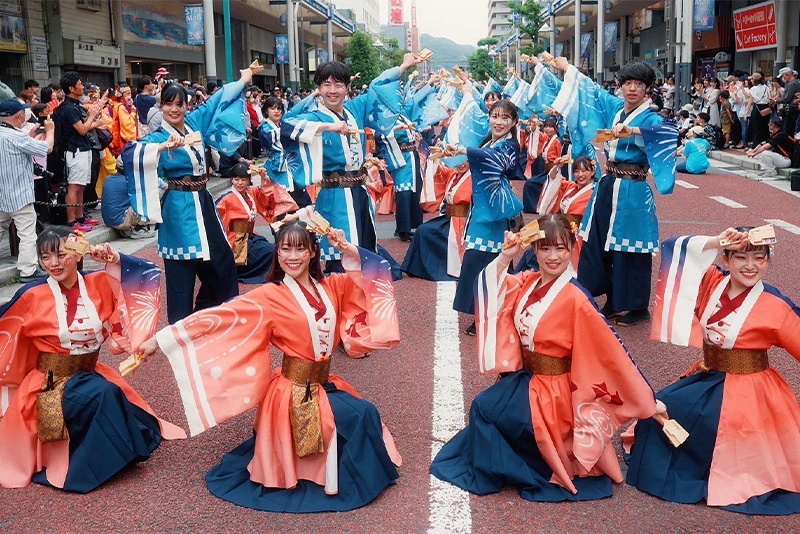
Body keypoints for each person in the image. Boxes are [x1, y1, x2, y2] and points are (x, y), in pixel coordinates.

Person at [139, 221, 401, 512]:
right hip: (293, 391)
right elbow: (222, 317)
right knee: (359, 415)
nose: (293, 256)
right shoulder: (269, 296)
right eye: (285, 248)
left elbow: (373, 274)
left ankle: (350, 475)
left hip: (323, 383)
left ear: (313, 252)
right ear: (277, 253)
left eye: (301, 248)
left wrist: (346, 247)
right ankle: (342, 479)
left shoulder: (332, 286)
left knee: (363, 413)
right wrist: (162, 339)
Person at [430, 214, 658, 502]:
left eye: (560, 248)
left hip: (554, 391)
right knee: (484, 408)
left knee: (485, 410)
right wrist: (505, 257)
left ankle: (528, 467)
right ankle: (521, 461)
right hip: (527, 380)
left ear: (572, 248)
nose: (553, 257)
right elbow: (491, 291)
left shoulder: (577, 298)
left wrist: (646, 397)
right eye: (545, 248)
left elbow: (612, 349)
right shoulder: (528, 281)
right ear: (534, 250)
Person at [625, 227, 800, 515]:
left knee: (721, 435)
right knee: (656, 413)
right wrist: (716, 241)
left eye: (759, 258)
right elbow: (676, 252)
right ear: (726, 258)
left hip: (750, 391)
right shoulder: (712, 282)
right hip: (708, 375)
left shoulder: (775, 305)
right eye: (741, 257)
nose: (751, 266)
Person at [0, 227, 185, 492]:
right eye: (45, 257)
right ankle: (82, 472)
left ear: (76, 254)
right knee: (105, 394)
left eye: (60, 255)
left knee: (134, 414)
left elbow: (145, 274)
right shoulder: (32, 295)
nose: (53, 263)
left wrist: (114, 259)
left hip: (88, 373)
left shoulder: (98, 283)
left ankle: (112, 450)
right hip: (50, 382)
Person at [546, 58, 678, 326]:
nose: (632, 89)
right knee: (598, 243)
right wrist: (567, 69)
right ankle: (609, 298)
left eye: (638, 84)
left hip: (632, 189)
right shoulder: (617, 108)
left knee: (630, 249)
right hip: (607, 184)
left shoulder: (651, 117)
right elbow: (592, 90)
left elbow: (667, 134)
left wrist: (633, 130)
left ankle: (637, 307)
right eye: (627, 83)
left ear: (647, 89)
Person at [122, 66, 256, 323]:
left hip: (203, 202)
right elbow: (128, 155)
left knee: (223, 260)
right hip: (178, 206)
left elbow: (218, 101)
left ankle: (214, 314)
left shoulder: (194, 123)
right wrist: (160, 148)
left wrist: (243, 79)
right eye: (169, 104)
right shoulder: (157, 137)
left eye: (180, 104)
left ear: (187, 105)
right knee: (181, 268)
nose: (175, 109)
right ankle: (180, 328)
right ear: (161, 107)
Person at [282, 54, 423, 272]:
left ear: (347, 88)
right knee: (341, 251)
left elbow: (378, 87)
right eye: (326, 84)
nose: (332, 90)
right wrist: (329, 127)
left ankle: (364, 297)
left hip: (360, 191)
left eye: (338, 85)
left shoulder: (355, 109)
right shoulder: (315, 117)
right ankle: (341, 297)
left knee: (364, 248)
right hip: (334, 194)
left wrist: (402, 66)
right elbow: (287, 124)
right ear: (318, 88)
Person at [445, 99, 524, 335]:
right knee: (483, 261)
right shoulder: (490, 140)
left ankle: (492, 313)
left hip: (493, 214)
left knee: (486, 262)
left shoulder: (509, 146)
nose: (498, 122)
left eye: (505, 118)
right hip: (484, 209)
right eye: (495, 116)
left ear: (514, 123)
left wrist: (462, 150)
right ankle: (492, 311)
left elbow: (494, 160)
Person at [215, 161, 297, 284]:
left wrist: (264, 177)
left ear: (249, 180)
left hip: (250, 236)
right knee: (272, 252)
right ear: (231, 180)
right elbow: (216, 221)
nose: (240, 183)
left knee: (275, 250)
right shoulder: (225, 199)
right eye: (236, 179)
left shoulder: (251, 193)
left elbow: (268, 195)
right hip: (235, 241)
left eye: (243, 179)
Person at [0, 99, 53, 282]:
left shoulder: (8, 134)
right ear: (19, 115)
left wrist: (29, 135)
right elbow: (47, 148)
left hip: (1, 194)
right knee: (27, 233)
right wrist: (51, 130)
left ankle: (28, 268)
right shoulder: (16, 136)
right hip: (19, 194)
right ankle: (28, 270)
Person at [401, 159, 471, 280]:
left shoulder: (475, 177)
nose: (460, 163)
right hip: (449, 219)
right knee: (422, 231)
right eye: (457, 159)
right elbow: (439, 171)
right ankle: (419, 269)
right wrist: (436, 158)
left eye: (464, 160)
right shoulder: (453, 174)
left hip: (465, 223)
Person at [58, 71, 105, 231]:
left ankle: (80, 217)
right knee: (74, 186)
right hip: (74, 151)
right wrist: (93, 117)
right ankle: (72, 221)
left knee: (82, 186)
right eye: (79, 84)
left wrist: (96, 121)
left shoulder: (75, 105)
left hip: (82, 148)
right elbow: (83, 130)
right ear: (71, 88)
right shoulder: (67, 108)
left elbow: (83, 127)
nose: (82, 86)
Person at [258, 95, 312, 208]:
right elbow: (272, 137)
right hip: (276, 171)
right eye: (273, 108)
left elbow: (297, 111)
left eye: (279, 109)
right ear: (266, 111)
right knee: (279, 207)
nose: (277, 111)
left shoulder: (284, 124)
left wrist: (314, 94)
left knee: (304, 205)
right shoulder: (264, 128)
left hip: (292, 170)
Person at [522, 116, 562, 213]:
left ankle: (538, 207)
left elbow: (561, 156)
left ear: (556, 128)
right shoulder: (547, 139)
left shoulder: (558, 142)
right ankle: (535, 207)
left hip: (555, 172)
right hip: (546, 170)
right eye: (546, 126)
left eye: (550, 127)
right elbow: (537, 134)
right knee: (530, 183)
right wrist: (534, 125)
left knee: (531, 184)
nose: (547, 129)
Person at [775, 67, 800, 137]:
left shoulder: (792, 84)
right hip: (790, 109)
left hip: (791, 110)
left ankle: (788, 146)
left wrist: (776, 101)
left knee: (788, 129)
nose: (783, 78)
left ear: (787, 74)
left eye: (783, 76)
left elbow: (787, 99)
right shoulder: (792, 83)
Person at [748, 72, 771, 146]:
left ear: (755, 80)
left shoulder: (753, 89)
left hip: (757, 108)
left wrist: (746, 113)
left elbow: (751, 101)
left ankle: (756, 145)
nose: (751, 80)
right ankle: (766, 144)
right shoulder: (766, 87)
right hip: (766, 108)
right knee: (765, 127)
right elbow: (769, 98)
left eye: (752, 79)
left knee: (756, 129)